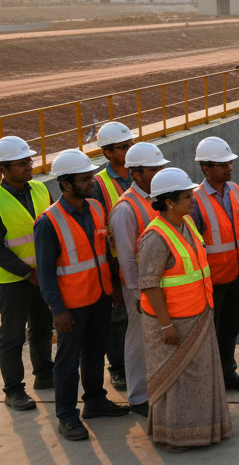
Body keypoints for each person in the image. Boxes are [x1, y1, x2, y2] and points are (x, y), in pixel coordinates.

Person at [36, 150, 131, 440]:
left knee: (95, 353)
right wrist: (57, 309)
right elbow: (45, 272)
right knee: (67, 363)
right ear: (65, 184)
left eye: (90, 176)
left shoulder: (95, 208)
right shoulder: (48, 221)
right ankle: (66, 417)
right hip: (72, 306)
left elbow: (105, 251)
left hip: (100, 297)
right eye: (84, 178)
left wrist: (114, 285)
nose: (91, 182)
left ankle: (95, 401)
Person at [137, 167, 232, 452]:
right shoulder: (155, 238)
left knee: (200, 378)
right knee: (176, 381)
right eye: (187, 197)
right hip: (174, 324)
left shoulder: (187, 223)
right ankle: (175, 436)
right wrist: (166, 325)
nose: (193, 200)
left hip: (198, 315)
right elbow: (149, 285)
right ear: (168, 202)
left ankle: (204, 431)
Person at [0, 136, 54, 412]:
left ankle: (44, 374)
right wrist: (27, 273)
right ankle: (13, 390)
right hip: (12, 282)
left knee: (43, 328)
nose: (29, 166)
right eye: (21, 163)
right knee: (12, 337)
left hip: (42, 276)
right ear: (3, 169)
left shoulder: (41, 189)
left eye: (29, 161)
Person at [190, 137, 239, 391]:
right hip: (212, 281)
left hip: (236, 276)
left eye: (229, 163)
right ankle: (210, 380)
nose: (229, 168)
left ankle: (228, 374)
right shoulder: (195, 200)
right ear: (206, 169)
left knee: (230, 330)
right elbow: (193, 246)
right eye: (222, 164)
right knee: (210, 333)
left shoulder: (235, 190)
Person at [112, 141, 170, 416]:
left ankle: (157, 390)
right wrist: (137, 292)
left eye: (160, 168)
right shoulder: (126, 208)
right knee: (138, 340)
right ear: (135, 174)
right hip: (141, 289)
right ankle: (138, 398)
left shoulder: (158, 197)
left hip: (161, 285)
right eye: (153, 169)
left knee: (158, 339)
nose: (159, 173)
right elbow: (125, 256)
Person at [87, 121, 135, 392]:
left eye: (131, 145)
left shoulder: (139, 174)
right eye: (123, 147)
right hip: (114, 261)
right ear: (107, 152)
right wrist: (113, 273)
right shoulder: (98, 185)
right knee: (118, 319)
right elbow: (98, 230)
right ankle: (118, 368)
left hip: (141, 257)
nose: (130, 150)